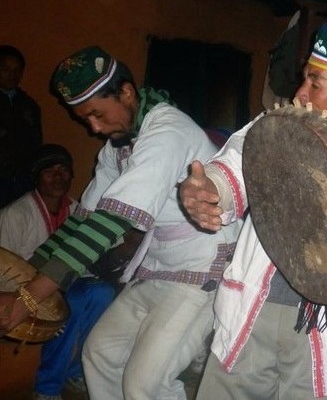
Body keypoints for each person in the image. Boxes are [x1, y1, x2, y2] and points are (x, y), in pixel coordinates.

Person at [179, 22, 327, 399]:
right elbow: (233, 167)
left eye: (315, 84)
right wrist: (208, 190)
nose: (300, 92)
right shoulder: (271, 128)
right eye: (304, 78)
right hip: (254, 310)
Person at [0, 45, 241, 400]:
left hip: (203, 268)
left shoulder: (167, 130)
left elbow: (110, 223)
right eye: (86, 120)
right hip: (158, 266)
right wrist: (24, 274)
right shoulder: (117, 145)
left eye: (98, 114)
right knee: (100, 354)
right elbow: (85, 217)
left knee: (145, 384)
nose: (94, 128)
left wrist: (28, 298)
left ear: (126, 92)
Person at [0, 144, 116, 400]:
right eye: (49, 171)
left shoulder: (78, 210)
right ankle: (47, 387)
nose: (58, 176)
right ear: (36, 176)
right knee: (70, 303)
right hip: (27, 287)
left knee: (103, 293)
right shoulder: (15, 214)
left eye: (63, 170)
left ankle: (76, 371)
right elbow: (4, 268)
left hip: (72, 282)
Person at [0, 45, 42, 208]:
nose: (12, 75)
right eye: (5, 69)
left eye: (17, 70)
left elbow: (36, 142)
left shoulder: (29, 106)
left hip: (23, 177)